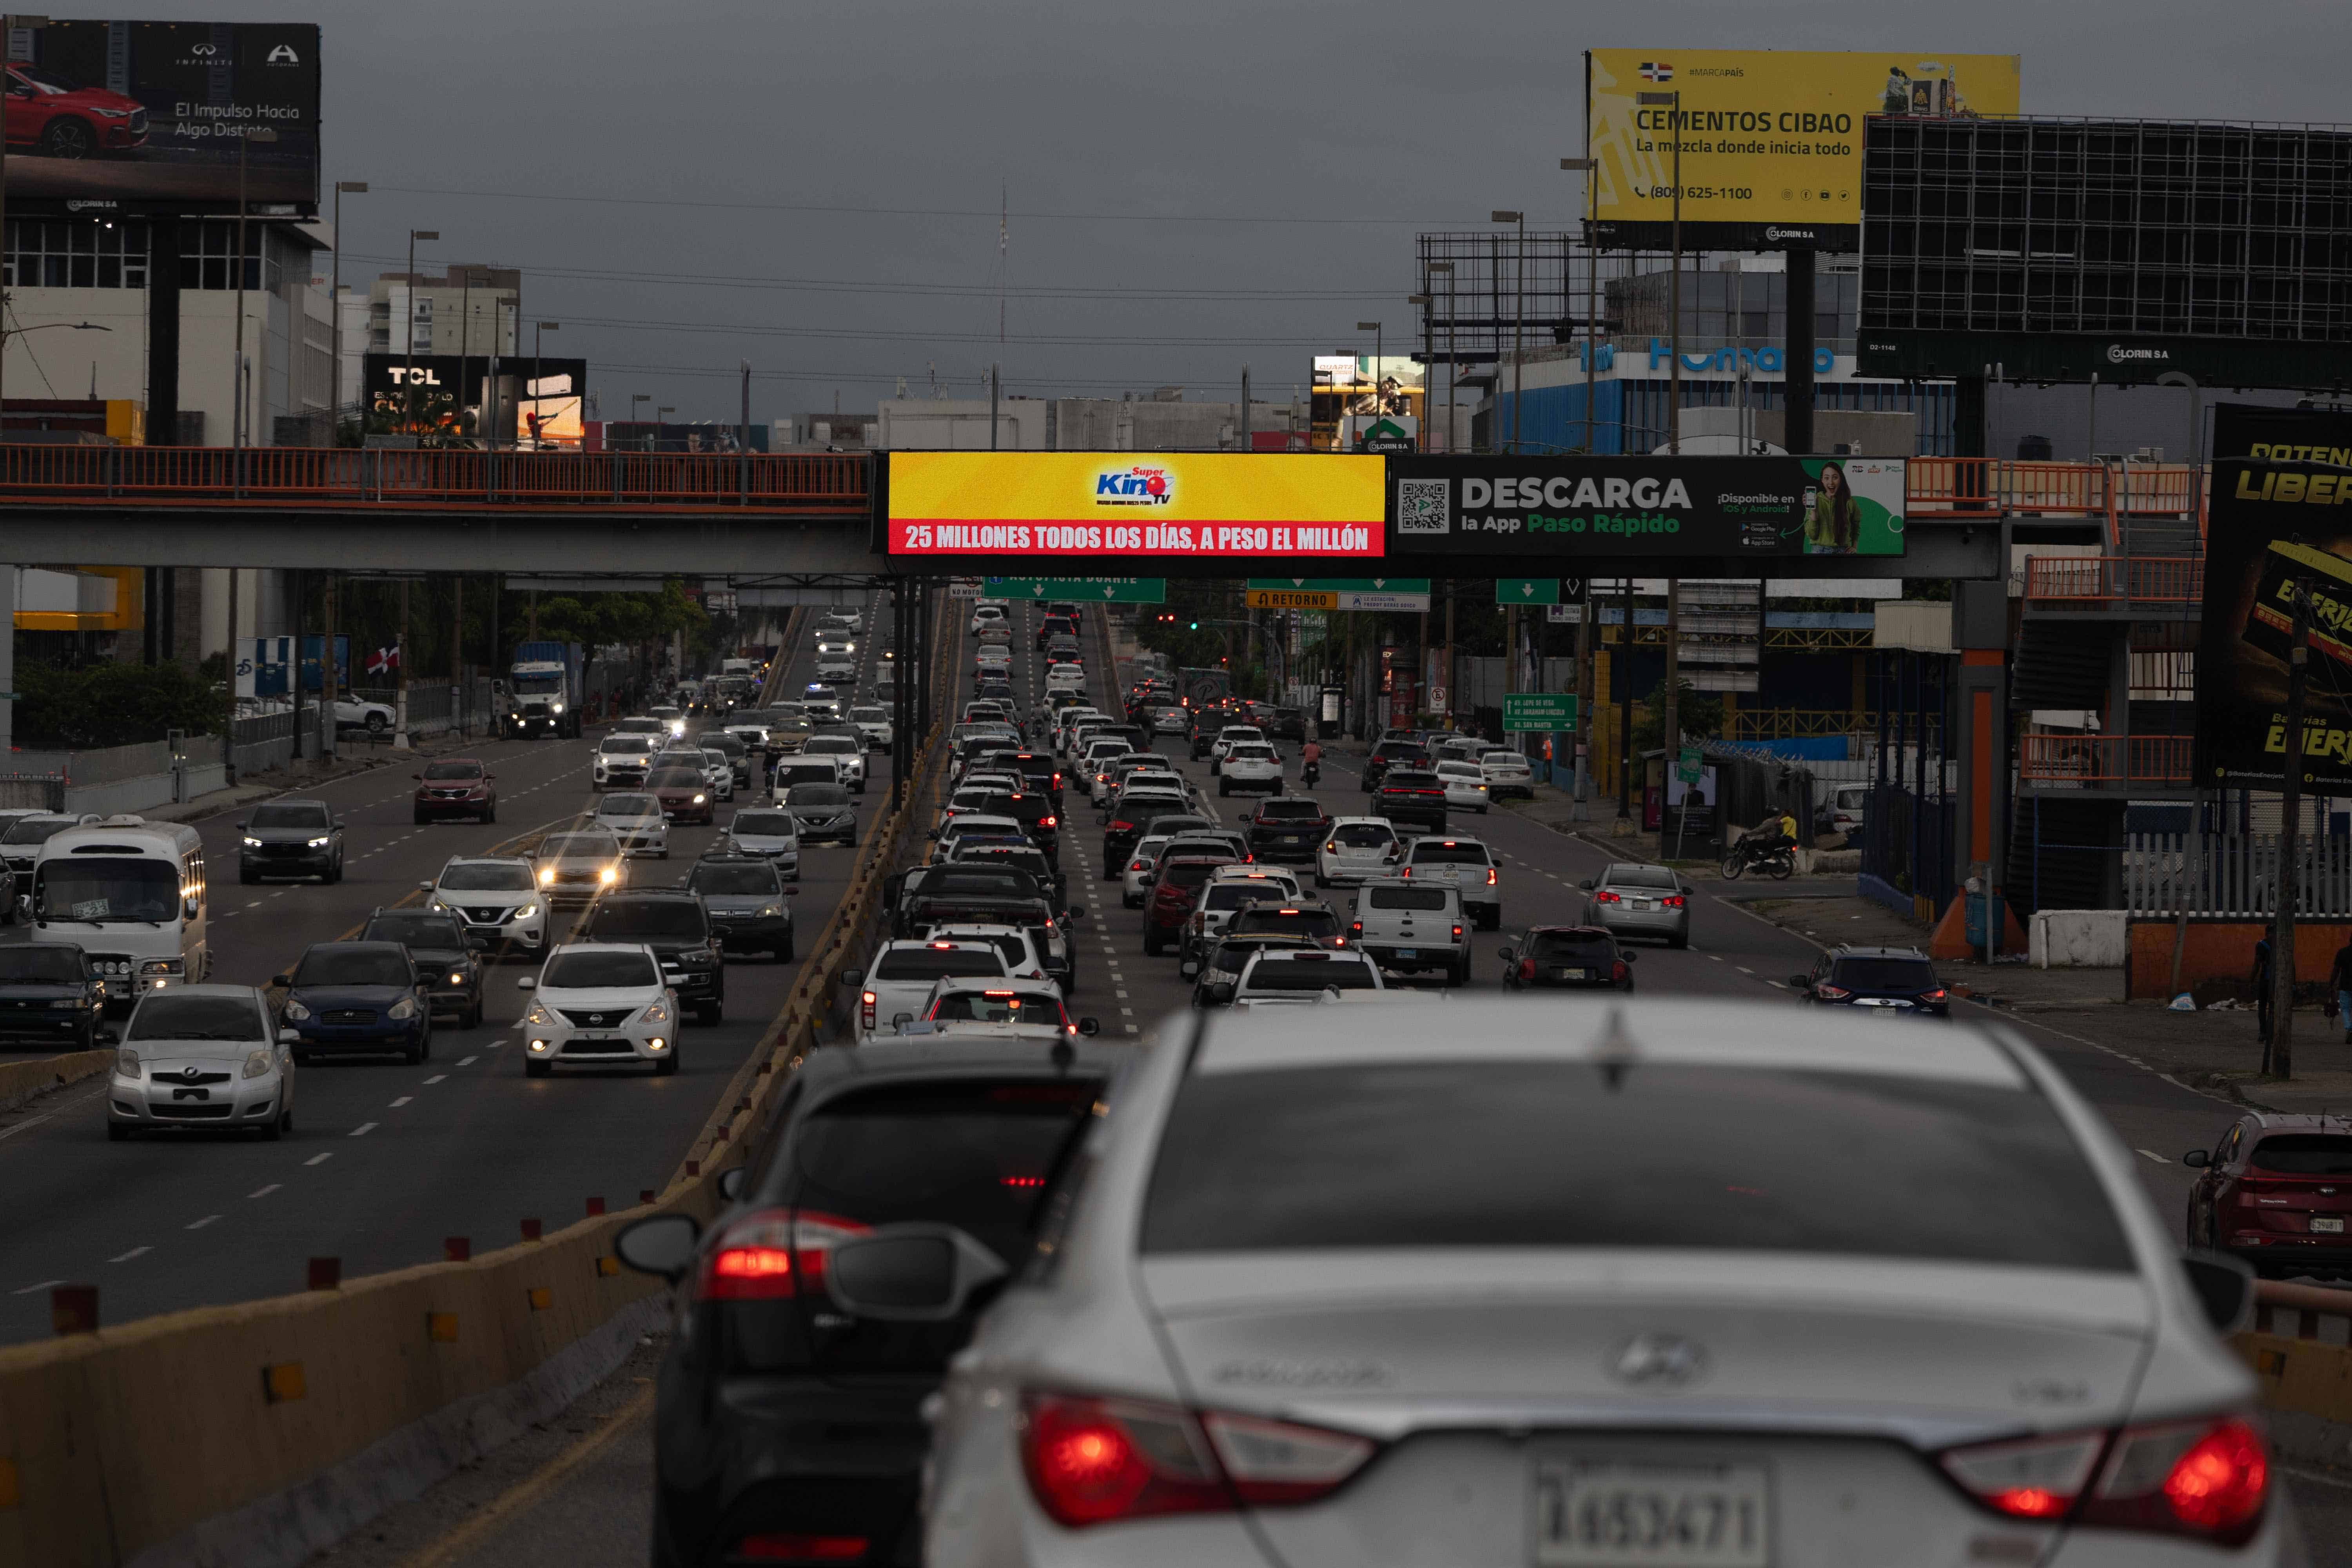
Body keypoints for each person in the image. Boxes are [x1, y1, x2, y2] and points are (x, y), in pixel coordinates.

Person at [1804, 461, 1862, 554]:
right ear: (1822, 480)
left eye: (1835, 478)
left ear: (1841, 479)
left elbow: (1856, 526)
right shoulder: (1815, 500)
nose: (1831, 482)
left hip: (1843, 551)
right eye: (1827, 478)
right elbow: (1812, 535)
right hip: (1819, 551)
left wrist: (1854, 547)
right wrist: (1814, 512)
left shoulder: (1850, 502)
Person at [2254, 936, 2276, 1050]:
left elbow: (2257, 964)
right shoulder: (2282, 944)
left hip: (2265, 981)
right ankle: (2272, 1033)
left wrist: (2251, 979)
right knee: (2275, 1007)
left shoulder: (2262, 945)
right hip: (2278, 981)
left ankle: (2263, 1032)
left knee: (2262, 1007)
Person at [2332, 936, 2352, 1047]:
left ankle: (2349, 1029)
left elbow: (2336, 970)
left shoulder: (2342, 952)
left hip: (2345, 986)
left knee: (2345, 1010)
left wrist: (2331, 983)